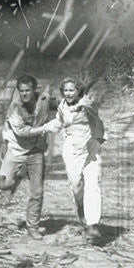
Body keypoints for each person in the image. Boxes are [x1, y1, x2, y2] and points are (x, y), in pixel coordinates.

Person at [0, 75, 56, 239]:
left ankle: (33, 227)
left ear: (34, 90)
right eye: (21, 91)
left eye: (27, 90)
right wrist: (46, 128)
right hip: (16, 150)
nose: (24, 94)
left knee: (37, 191)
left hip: (36, 151)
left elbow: (58, 104)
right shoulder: (15, 108)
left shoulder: (43, 99)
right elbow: (22, 132)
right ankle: (7, 200)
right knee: (3, 184)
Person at [48, 78, 106, 241]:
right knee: (76, 185)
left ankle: (93, 225)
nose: (68, 93)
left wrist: (85, 105)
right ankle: (82, 214)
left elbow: (95, 111)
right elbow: (59, 122)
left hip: (90, 148)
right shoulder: (62, 106)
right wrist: (48, 127)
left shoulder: (87, 103)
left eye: (72, 90)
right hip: (72, 149)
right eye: (66, 90)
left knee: (93, 184)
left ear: (78, 91)